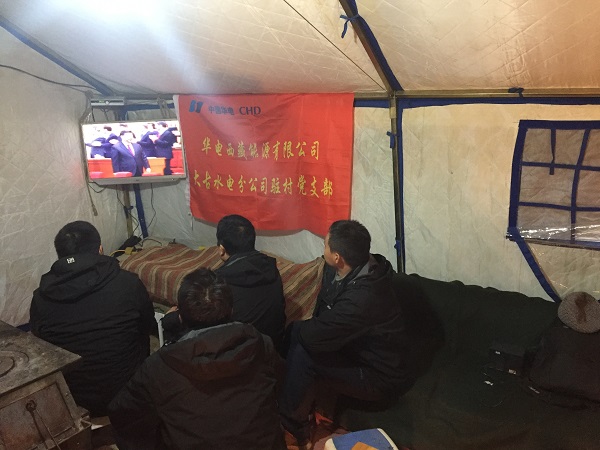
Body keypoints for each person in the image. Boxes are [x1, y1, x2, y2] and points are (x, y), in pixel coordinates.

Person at [108, 268, 286, 450]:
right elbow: (280, 387)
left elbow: (122, 415)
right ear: (232, 310)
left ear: (180, 318)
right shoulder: (262, 344)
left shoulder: (159, 367)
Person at [278, 220, 414, 449]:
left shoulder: (364, 297)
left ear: (337, 257)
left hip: (379, 374)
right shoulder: (356, 267)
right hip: (356, 347)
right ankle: (292, 398)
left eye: (325, 244)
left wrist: (301, 331)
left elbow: (313, 337)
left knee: (304, 351)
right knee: (296, 333)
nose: (323, 248)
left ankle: (293, 428)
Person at [29, 221, 156, 417]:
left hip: (72, 399)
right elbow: (148, 326)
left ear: (60, 255)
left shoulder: (40, 298)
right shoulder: (128, 284)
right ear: (100, 249)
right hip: (127, 393)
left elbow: (40, 343)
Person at [162, 214, 286, 351]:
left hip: (238, 352)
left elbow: (202, 323)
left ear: (221, 249)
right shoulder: (270, 268)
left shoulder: (217, 284)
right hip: (272, 347)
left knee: (172, 326)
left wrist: (172, 319)